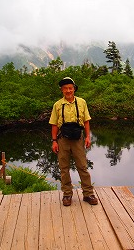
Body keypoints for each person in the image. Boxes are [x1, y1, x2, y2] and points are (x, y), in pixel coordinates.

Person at [49, 76, 98, 206]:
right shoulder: (57, 105)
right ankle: (67, 195)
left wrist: (88, 137)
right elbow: (54, 124)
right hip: (62, 139)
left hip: (78, 138)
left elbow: (86, 120)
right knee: (64, 168)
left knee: (82, 166)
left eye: (70, 88)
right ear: (62, 90)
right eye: (65, 88)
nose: (68, 91)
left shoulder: (82, 102)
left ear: (74, 89)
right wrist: (54, 141)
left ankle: (88, 194)